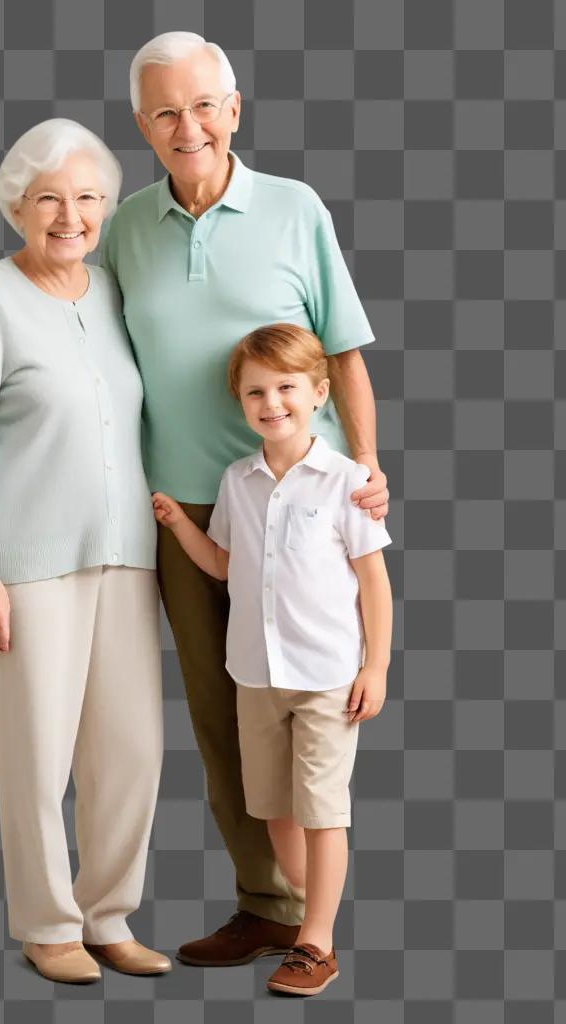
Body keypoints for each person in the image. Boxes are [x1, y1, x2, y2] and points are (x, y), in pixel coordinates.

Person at [0, 31, 391, 965]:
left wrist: (370, 466)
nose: (186, 127)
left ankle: (316, 920)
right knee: (217, 718)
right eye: (164, 113)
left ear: (233, 110)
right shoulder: (125, 228)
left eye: (202, 106)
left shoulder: (295, 208)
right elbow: (43, 292)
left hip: (301, 510)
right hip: (177, 519)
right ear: (143, 126)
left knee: (315, 702)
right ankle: (260, 904)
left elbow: (344, 351)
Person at [0, 118, 170, 984]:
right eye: (49, 199)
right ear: (16, 206)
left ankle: (109, 915)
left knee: (132, 748)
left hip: (126, 557)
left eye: (88, 199)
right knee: (36, 752)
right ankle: (47, 923)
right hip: (26, 567)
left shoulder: (114, 292)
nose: (71, 215)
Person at [151, 323, 394, 995]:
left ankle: (318, 942)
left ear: (319, 393)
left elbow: (373, 582)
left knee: (322, 808)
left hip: (325, 680)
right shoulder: (238, 481)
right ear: (240, 403)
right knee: (275, 809)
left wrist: (375, 669)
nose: (271, 403)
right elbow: (228, 567)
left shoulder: (345, 482)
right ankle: (308, 915)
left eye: (287, 387)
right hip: (255, 677)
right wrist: (178, 526)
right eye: (255, 392)